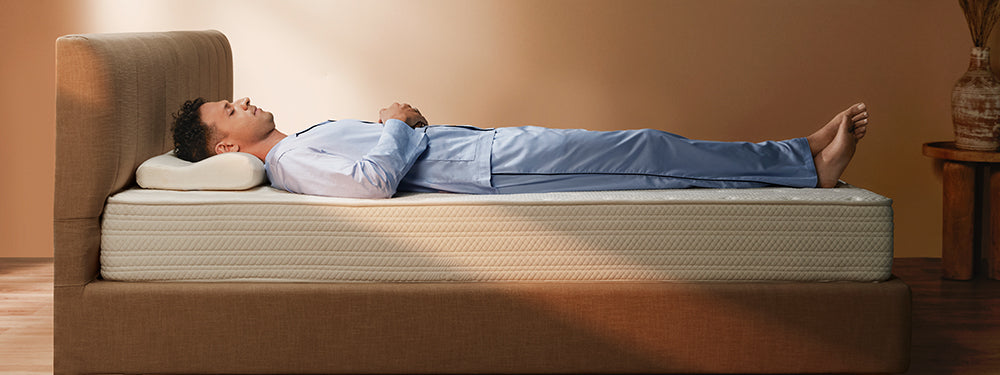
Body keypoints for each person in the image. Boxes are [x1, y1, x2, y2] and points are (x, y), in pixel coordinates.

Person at [171, 98, 869, 199]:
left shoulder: (296, 142)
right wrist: (397, 123)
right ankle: (803, 165)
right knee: (648, 150)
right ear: (226, 143)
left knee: (649, 156)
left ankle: (796, 156)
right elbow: (371, 182)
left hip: (485, 150)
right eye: (230, 109)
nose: (245, 99)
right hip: (493, 166)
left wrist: (406, 124)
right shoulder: (288, 162)